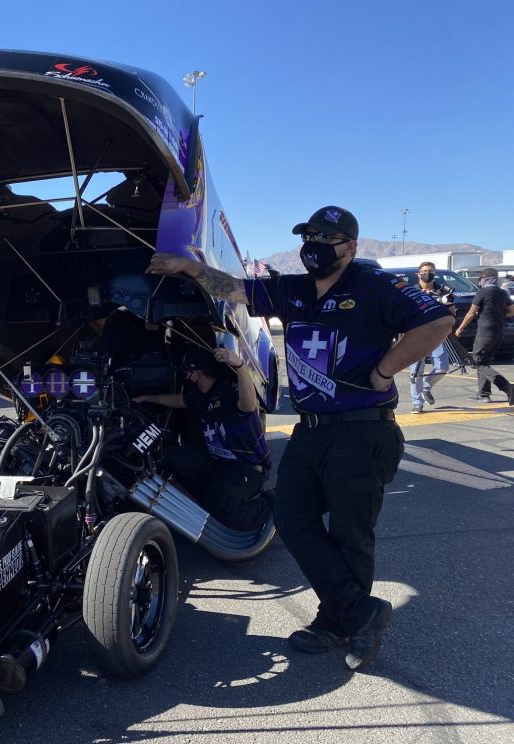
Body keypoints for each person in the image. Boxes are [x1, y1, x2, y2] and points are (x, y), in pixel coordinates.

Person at [146, 205, 454, 671]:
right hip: (310, 430)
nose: (312, 246)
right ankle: (358, 611)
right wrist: (187, 266)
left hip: (361, 429)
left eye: (323, 238)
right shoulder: (292, 289)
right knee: (290, 517)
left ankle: (336, 622)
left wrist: (385, 369)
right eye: (307, 236)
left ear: (349, 246)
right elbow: (233, 288)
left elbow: (437, 320)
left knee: (350, 533)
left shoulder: (373, 286)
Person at [133, 345, 272, 531]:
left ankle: (275, 502)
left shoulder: (228, 392)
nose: (187, 379)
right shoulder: (203, 396)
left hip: (246, 468)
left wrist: (240, 367)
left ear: (198, 373)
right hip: (218, 464)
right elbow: (179, 400)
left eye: (189, 374)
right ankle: (210, 498)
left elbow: (248, 405)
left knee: (226, 515)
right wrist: (145, 398)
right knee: (171, 457)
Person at [454, 266, 514, 401]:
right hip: (498, 332)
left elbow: (471, 313)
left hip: (484, 332)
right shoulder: (503, 293)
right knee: (484, 362)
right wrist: (498, 314)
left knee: (478, 363)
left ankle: (507, 386)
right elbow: (512, 311)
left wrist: (460, 328)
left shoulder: (482, 292)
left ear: (484, 278)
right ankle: (483, 394)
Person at [407, 262, 455, 413]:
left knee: (442, 366)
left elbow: (452, 310)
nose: (428, 273)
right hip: (416, 335)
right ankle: (417, 402)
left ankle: (426, 387)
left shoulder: (442, 291)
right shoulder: (411, 291)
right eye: (425, 271)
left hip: (438, 334)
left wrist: (450, 325)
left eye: (431, 271)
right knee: (416, 370)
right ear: (418, 273)